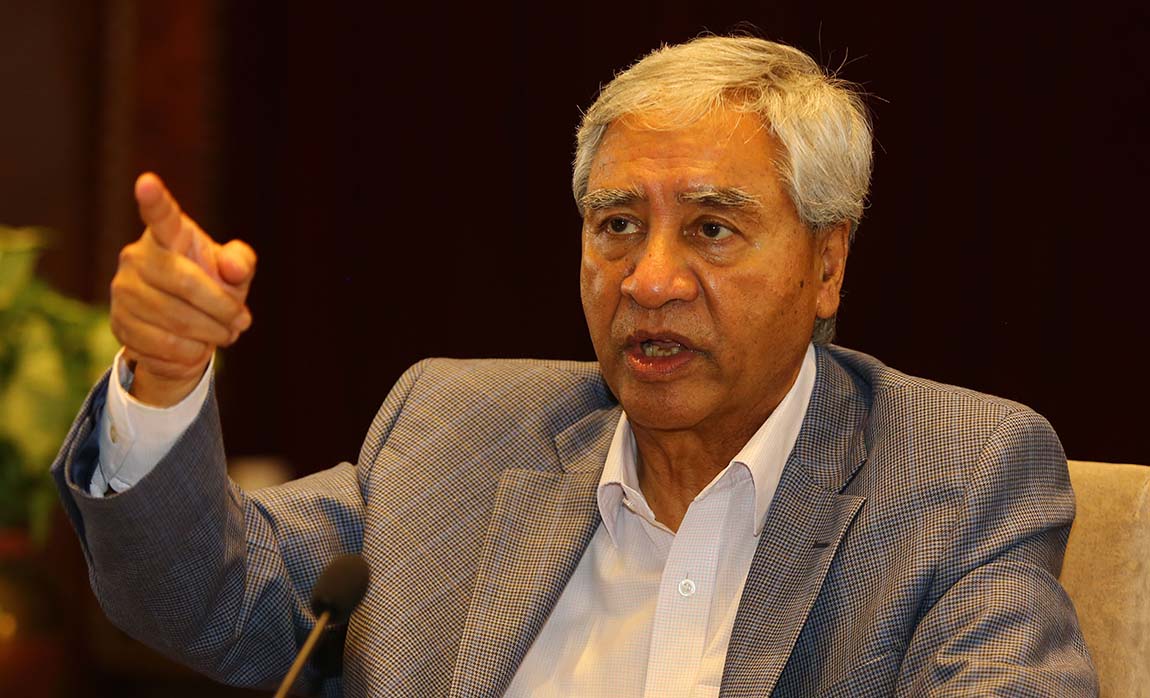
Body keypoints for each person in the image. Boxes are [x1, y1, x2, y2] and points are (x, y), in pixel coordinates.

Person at [51, 35, 1097, 696]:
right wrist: (164, 376)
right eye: (616, 224)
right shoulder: (458, 432)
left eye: (712, 229)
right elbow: (203, 593)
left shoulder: (953, 475)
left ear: (827, 264)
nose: (650, 279)